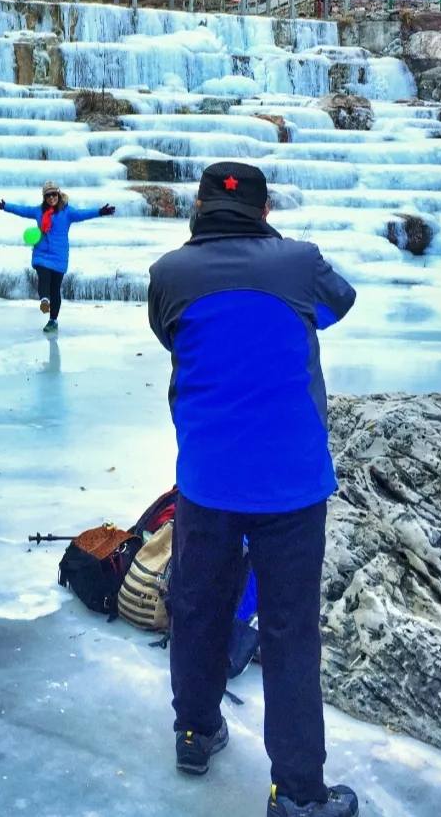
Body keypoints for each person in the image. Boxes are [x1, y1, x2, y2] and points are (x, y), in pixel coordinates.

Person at [147, 161, 358, 817]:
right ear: (265, 211)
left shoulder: (169, 273)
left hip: (207, 479)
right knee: (292, 633)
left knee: (199, 608)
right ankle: (297, 793)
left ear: (198, 209)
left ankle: (195, 730)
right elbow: (337, 305)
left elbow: (170, 333)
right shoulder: (299, 261)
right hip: (292, 483)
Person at [0, 180, 115, 332]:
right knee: (44, 276)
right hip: (41, 253)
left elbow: (83, 214)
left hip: (59, 256)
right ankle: (44, 299)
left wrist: (99, 212)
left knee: (55, 288)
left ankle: (53, 321)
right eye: (48, 195)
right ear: (44, 197)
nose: (51, 198)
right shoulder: (39, 211)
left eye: (54, 194)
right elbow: (23, 210)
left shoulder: (67, 212)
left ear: (58, 194)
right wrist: (6, 207)